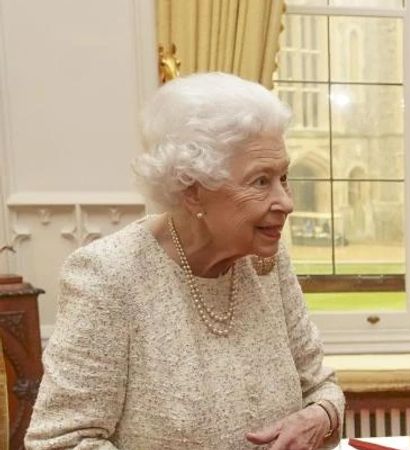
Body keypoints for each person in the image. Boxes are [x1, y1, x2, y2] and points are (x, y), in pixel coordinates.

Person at [25, 72, 345, 450]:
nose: (287, 202)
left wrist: (319, 417)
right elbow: (60, 441)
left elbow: (322, 386)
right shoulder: (108, 275)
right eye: (261, 181)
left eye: (284, 177)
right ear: (193, 191)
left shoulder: (266, 263)